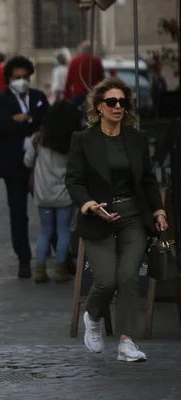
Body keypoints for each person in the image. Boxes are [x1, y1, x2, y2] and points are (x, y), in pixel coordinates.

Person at [65, 77, 168, 362]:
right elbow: (73, 181)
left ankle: (126, 342)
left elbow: (148, 179)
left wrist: (158, 210)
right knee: (107, 279)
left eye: (123, 102)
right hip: (98, 218)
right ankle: (92, 316)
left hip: (133, 216)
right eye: (112, 102)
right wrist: (88, 204)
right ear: (99, 107)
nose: (118, 107)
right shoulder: (83, 140)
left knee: (128, 276)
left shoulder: (135, 139)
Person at [0, 55, 50, 278]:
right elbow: (2, 125)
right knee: (18, 212)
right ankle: (23, 258)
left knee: (49, 207)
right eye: (17, 77)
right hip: (13, 165)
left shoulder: (38, 96)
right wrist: (29, 122)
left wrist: (24, 119)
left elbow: (47, 120)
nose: (22, 80)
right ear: (9, 78)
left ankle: (57, 254)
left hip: (41, 165)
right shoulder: (0, 100)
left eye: (25, 77)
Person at [24, 99, 79, 283]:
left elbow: (27, 162)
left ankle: (39, 270)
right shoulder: (74, 141)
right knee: (63, 231)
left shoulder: (39, 139)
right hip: (65, 196)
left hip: (44, 195)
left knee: (45, 230)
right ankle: (60, 270)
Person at [64, 41, 105, 110]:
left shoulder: (74, 61)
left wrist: (68, 97)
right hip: (93, 94)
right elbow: (102, 80)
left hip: (78, 95)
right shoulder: (96, 61)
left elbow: (68, 83)